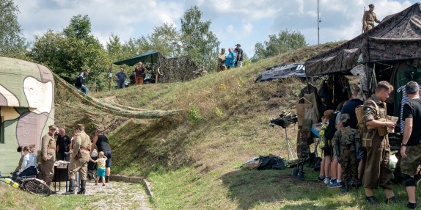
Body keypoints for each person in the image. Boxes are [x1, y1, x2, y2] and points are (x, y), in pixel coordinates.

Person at [362, 81, 397, 205]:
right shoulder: (371, 104)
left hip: (383, 141)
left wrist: (388, 122)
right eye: (387, 93)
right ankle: (369, 194)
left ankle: (390, 195)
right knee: (373, 167)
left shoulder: (382, 104)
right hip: (374, 141)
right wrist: (386, 124)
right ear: (382, 91)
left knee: (386, 167)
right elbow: (368, 122)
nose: (388, 96)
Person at [400, 81, 421, 210]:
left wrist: (403, 144)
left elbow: (409, 126)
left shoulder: (408, 105)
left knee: (409, 172)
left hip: (413, 144)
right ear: (419, 91)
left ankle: (412, 203)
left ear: (406, 93)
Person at [340, 85, 364, 185]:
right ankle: (358, 178)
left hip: (347, 135)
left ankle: (347, 179)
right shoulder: (363, 105)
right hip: (360, 133)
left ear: (352, 94)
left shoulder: (346, 106)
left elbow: (341, 121)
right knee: (360, 157)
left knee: (347, 158)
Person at [334, 114, 359, 192]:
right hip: (343, 152)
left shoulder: (354, 131)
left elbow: (357, 143)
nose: (345, 122)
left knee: (353, 167)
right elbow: (336, 145)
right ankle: (346, 185)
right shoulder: (338, 132)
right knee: (345, 168)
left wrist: (357, 154)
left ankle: (354, 183)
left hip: (352, 152)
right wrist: (338, 155)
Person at [65, 124, 91, 195]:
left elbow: (78, 143)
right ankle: (83, 190)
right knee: (83, 172)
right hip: (86, 154)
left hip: (79, 154)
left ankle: (71, 189)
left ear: (78, 129)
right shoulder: (87, 136)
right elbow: (90, 146)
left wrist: (74, 153)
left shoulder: (79, 135)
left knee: (72, 171)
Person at [318, 110, 334, 184]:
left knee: (324, 159)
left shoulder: (323, 124)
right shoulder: (329, 124)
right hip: (328, 144)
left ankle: (322, 174)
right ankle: (327, 176)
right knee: (328, 160)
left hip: (323, 144)